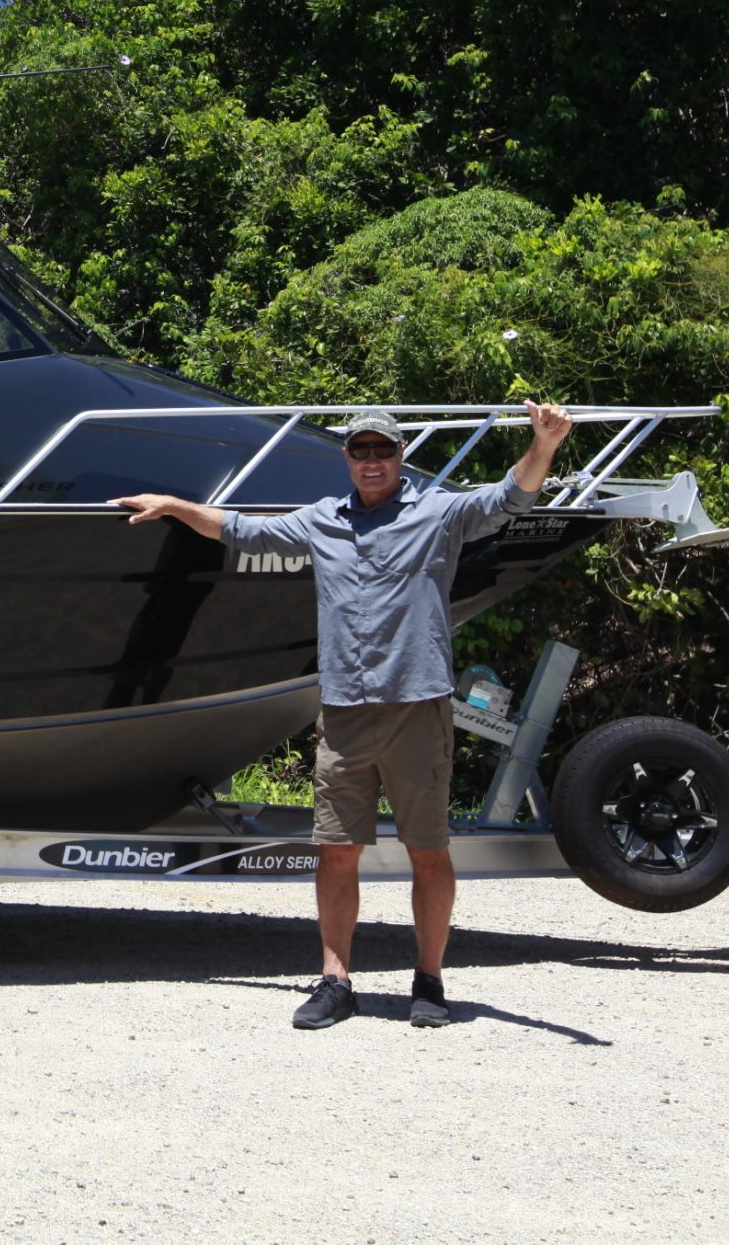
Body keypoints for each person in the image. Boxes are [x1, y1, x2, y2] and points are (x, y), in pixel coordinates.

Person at [114, 400, 574, 1030]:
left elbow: (506, 500)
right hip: (345, 714)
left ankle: (429, 981)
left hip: (419, 708)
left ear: (400, 455)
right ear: (348, 460)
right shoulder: (321, 521)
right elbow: (243, 530)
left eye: (383, 449)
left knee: (429, 852)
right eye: (361, 451)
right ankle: (336, 981)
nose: (373, 461)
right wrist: (173, 505)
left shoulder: (437, 513)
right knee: (336, 851)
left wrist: (543, 445)